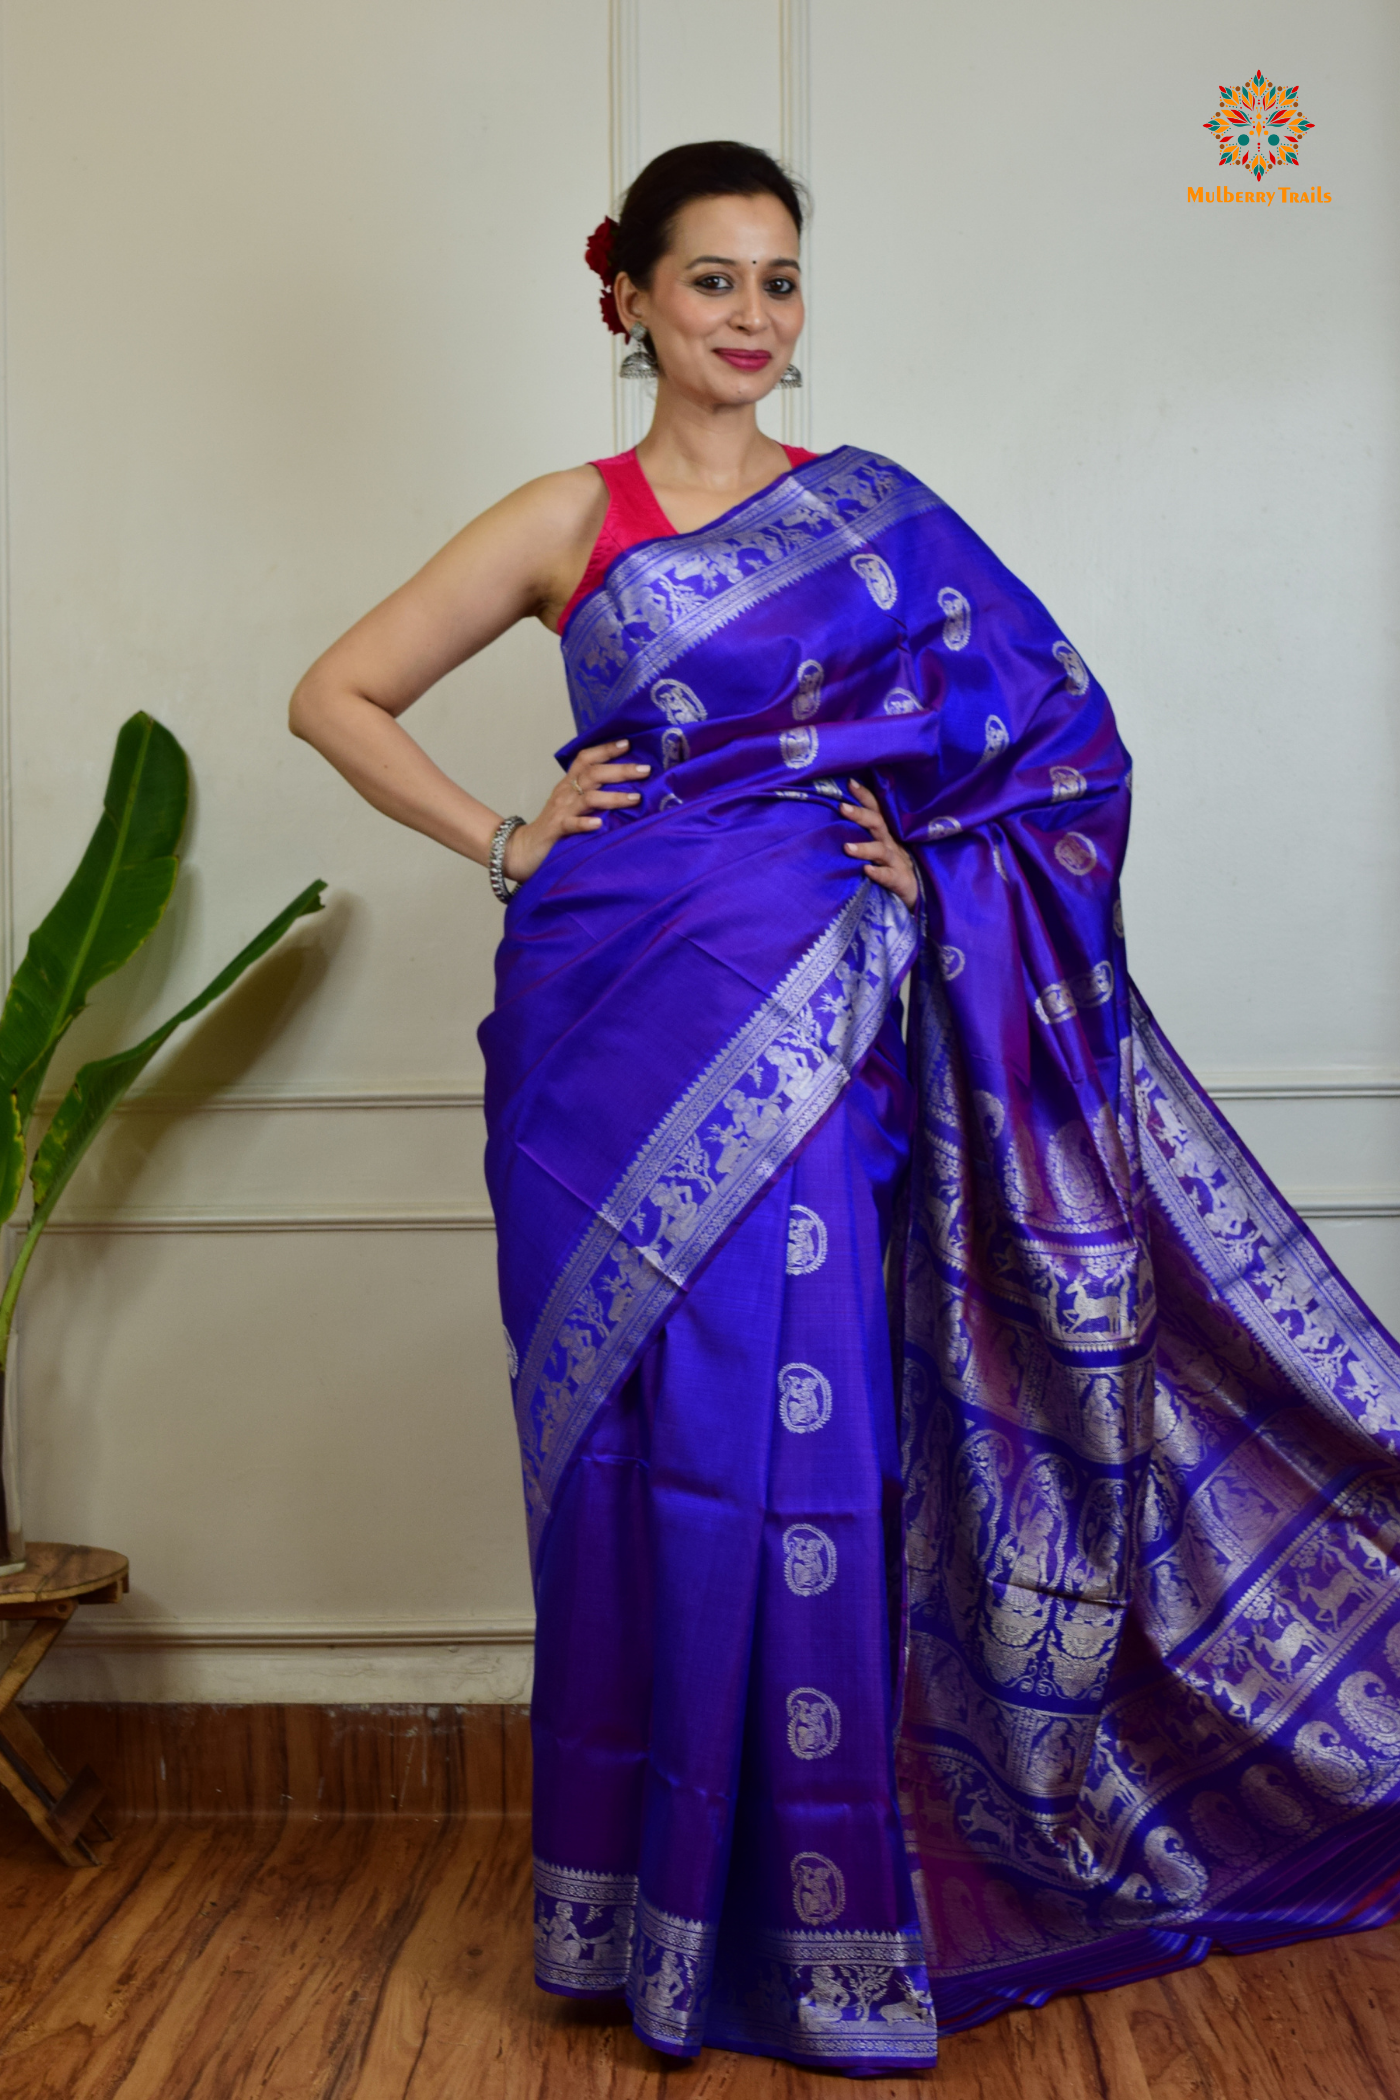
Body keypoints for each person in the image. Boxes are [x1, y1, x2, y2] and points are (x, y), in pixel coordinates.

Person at [290, 139, 1400, 2076]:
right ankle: (624, 1920)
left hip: (814, 1035)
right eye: (710, 280)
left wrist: (943, 867)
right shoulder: (574, 517)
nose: (750, 318)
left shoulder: (873, 523)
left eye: (778, 281)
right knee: (630, 1481)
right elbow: (336, 692)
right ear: (623, 295)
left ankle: (806, 1939)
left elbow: (1061, 744)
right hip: (598, 1042)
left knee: (801, 1451)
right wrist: (504, 836)